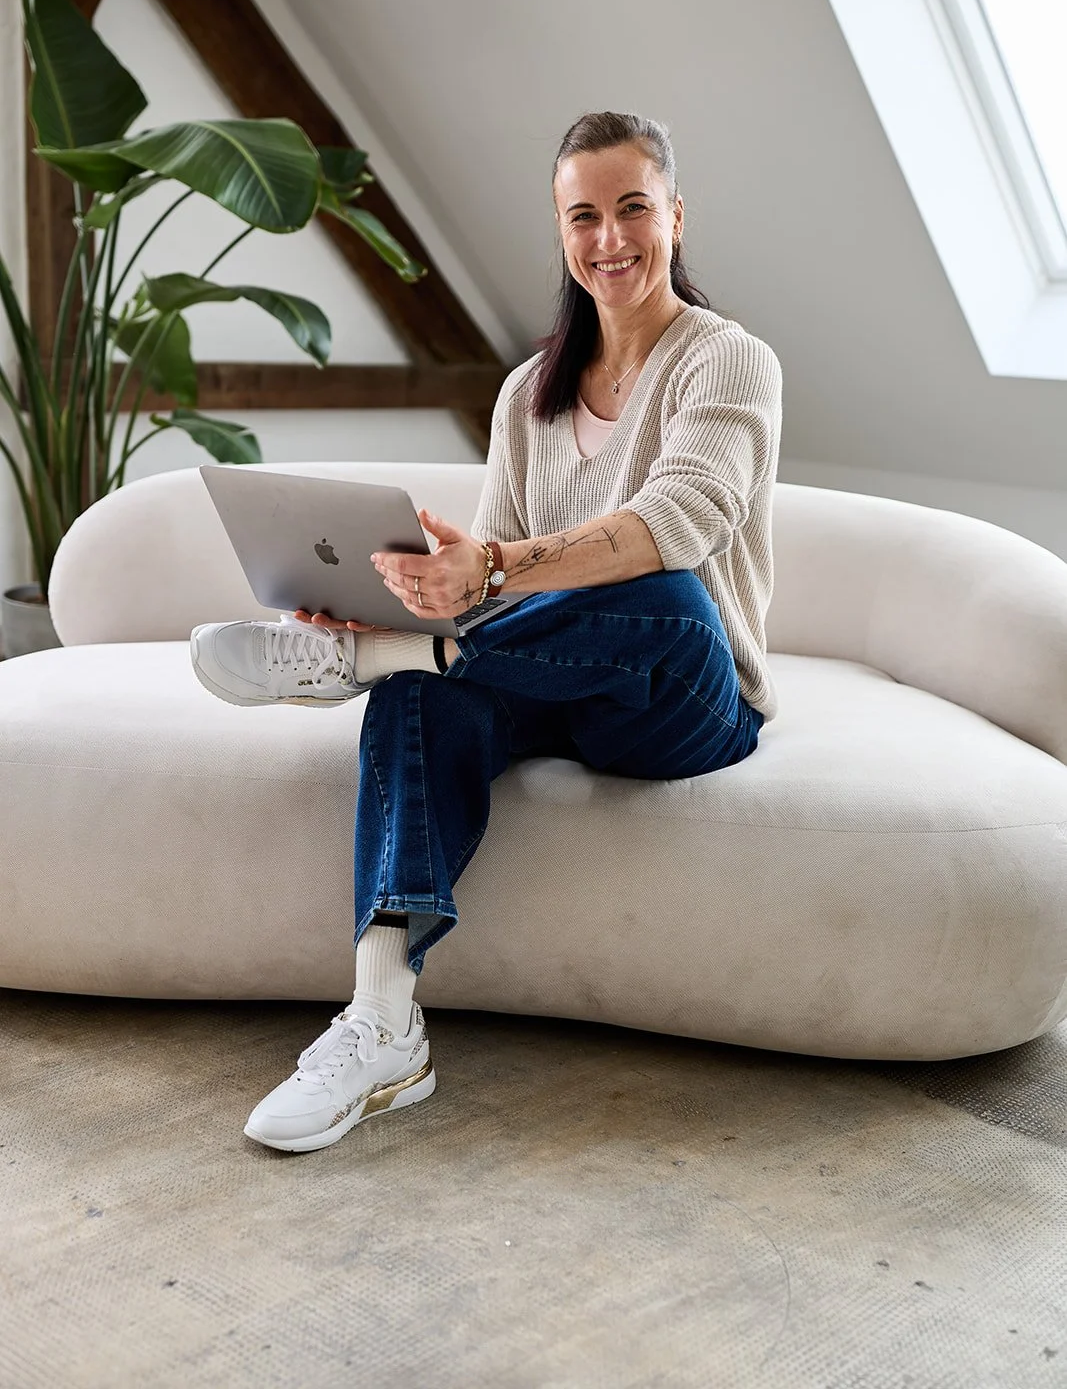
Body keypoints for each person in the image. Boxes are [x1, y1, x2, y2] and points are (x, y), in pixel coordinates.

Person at [190, 109, 783, 1154]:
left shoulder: (726, 361)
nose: (610, 239)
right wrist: (423, 592)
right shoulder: (526, 394)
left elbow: (680, 518)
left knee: (672, 586)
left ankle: (358, 664)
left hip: (683, 699)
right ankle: (381, 1021)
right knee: (424, 682)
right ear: (560, 232)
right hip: (556, 685)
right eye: (584, 216)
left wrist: (495, 564)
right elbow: (498, 602)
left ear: (676, 217)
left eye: (632, 208)